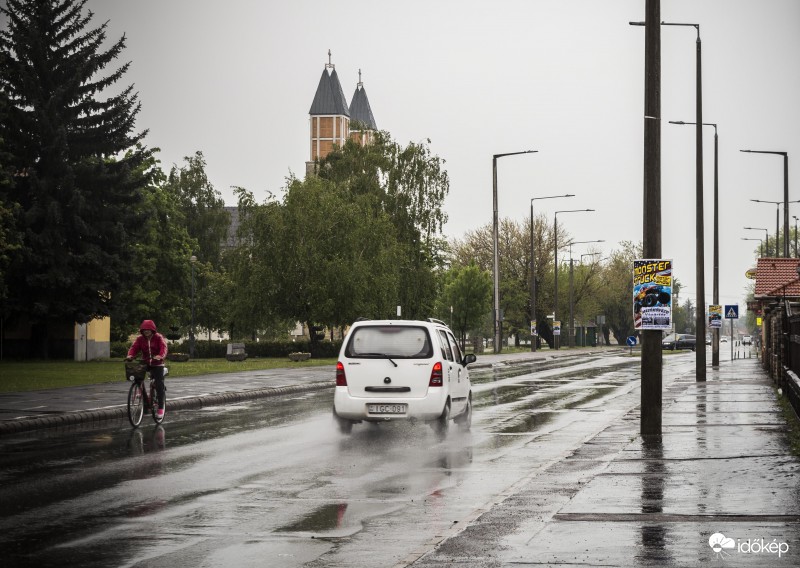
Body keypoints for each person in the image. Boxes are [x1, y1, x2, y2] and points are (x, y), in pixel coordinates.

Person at [126, 319, 168, 419]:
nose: (146, 331)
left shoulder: (158, 337)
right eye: (144, 330)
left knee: (159, 384)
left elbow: (164, 348)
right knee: (137, 377)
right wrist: (130, 355)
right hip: (145, 362)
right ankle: (142, 396)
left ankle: (160, 408)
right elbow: (134, 347)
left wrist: (160, 356)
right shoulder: (140, 339)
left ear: (153, 330)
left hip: (157, 363)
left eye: (148, 330)